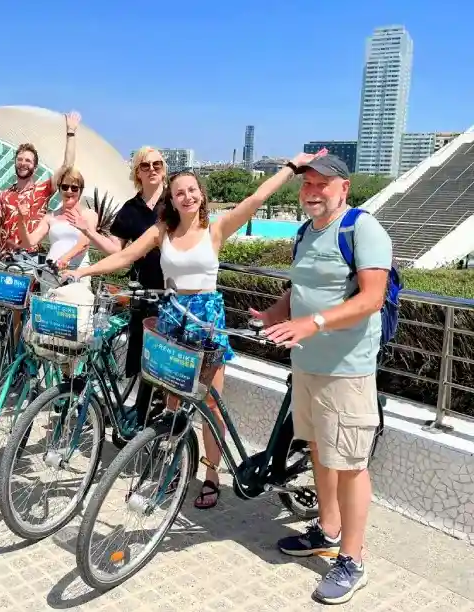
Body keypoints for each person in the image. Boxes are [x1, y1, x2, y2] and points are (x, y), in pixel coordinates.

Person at [64, 150, 325, 511]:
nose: (186, 196)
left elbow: (256, 198)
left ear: (201, 194)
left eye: (192, 190)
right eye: (179, 193)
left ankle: (212, 474)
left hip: (206, 318)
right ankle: (171, 467)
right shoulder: (163, 231)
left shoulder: (215, 229)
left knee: (210, 404)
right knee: (172, 401)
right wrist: (82, 271)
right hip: (173, 316)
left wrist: (292, 167)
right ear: (171, 200)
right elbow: (125, 256)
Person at [256, 154, 392, 605]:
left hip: (347, 369)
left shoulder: (362, 229)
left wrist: (312, 323)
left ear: (343, 188)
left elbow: (371, 298)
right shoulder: (305, 232)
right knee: (319, 449)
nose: (312, 191)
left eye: (322, 184)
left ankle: (352, 560)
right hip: (307, 363)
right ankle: (328, 530)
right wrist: (274, 313)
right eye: (307, 184)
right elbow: (300, 287)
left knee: (350, 465)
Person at [68, 146, 168, 449]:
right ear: (137, 172)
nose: (152, 169)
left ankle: (159, 428)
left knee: (163, 363)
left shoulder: (173, 202)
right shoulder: (131, 208)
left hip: (172, 293)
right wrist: (89, 232)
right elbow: (118, 251)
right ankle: (142, 419)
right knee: (140, 357)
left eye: (157, 164)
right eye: (145, 165)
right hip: (143, 291)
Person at [0, 111, 81, 353]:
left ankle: (12, 357)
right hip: (3, 258)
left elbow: (67, 167)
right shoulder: (4, 195)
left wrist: (71, 132)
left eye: (28, 161)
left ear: (34, 166)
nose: (23, 163)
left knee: (16, 312)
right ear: (15, 162)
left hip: (28, 259)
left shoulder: (42, 190)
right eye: (20, 159)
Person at [15, 166, 96, 286]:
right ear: (59, 189)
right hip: (50, 273)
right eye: (65, 187)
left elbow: (84, 243)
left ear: (80, 191)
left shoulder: (89, 215)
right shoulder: (50, 217)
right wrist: (21, 218)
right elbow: (29, 242)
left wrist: (65, 258)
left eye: (74, 188)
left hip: (76, 274)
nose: (69, 191)